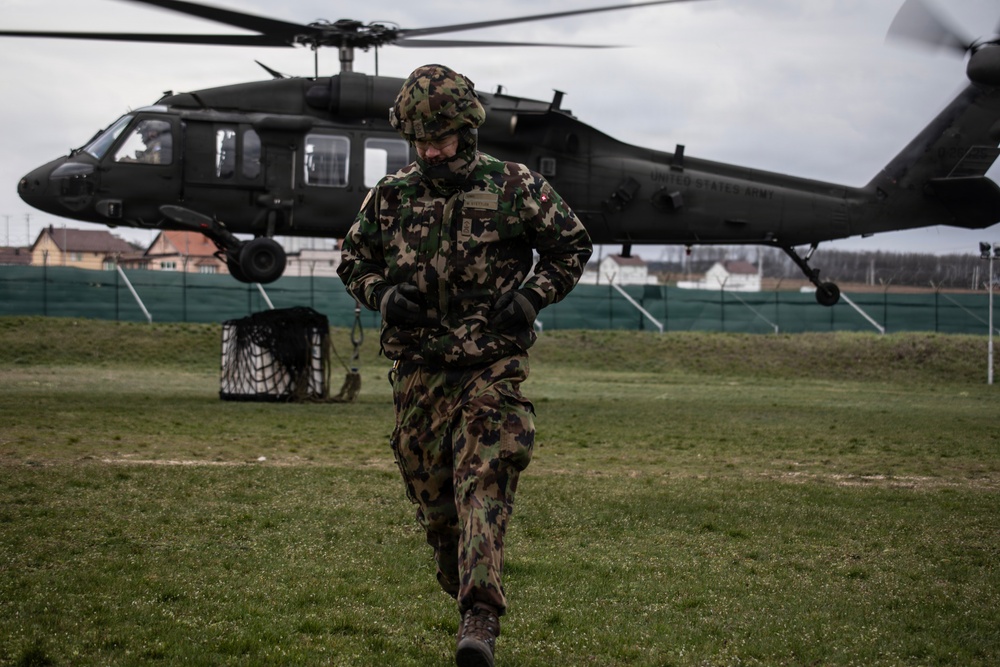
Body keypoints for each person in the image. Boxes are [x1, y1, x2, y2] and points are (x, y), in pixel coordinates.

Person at [338, 64, 592, 667]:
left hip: (490, 366)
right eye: (420, 140)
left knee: (484, 478)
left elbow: (571, 246)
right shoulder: (391, 195)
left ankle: (481, 615)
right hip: (419, 374)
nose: (431, 150)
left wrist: (531, 298)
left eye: (442, 138)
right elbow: (353, 260)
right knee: (437, 507)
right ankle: (462, 582)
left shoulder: (513, 186)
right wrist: (383, 296)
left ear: (468, 130)